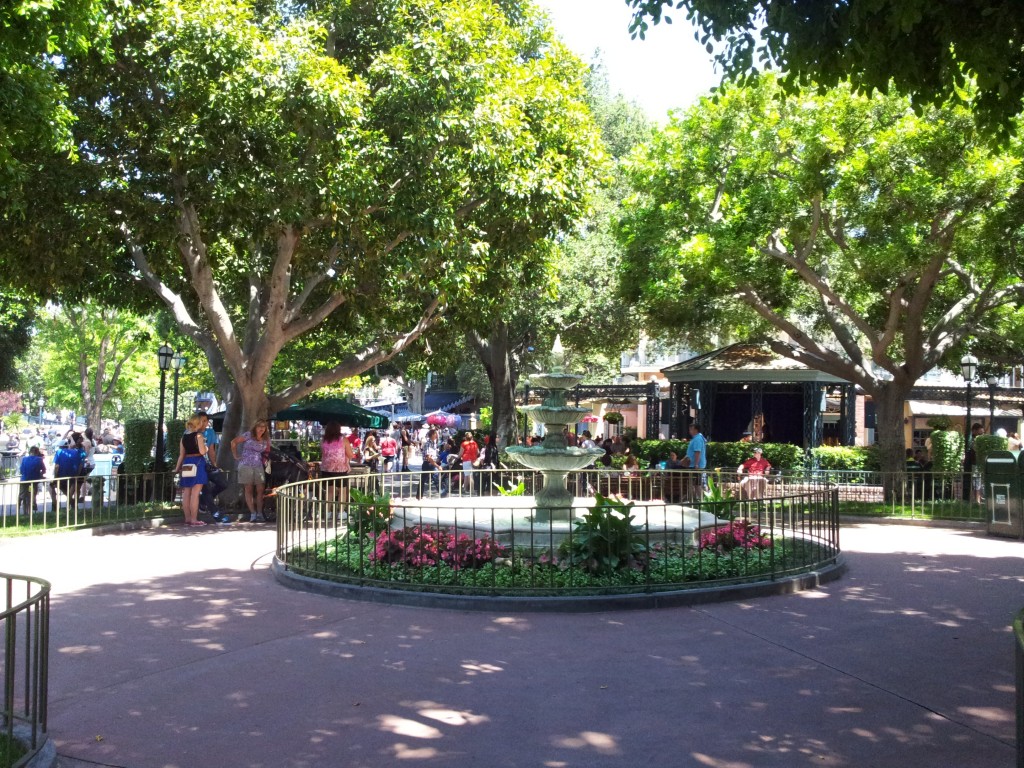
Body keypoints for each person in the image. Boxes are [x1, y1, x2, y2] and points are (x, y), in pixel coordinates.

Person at [231, 419, 272, 523]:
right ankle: (252, 513)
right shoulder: (248, 435)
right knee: (248, 489)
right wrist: (235, 456)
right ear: (255, 427)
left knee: (260, 490)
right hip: (245, 465)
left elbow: (267, 452)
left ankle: (259, 513)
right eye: (259, 426)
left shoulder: (266, 439)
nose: (261, 429)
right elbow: (233, 442)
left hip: (258, 465)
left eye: (263, 426)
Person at [174, 414, 208, 527]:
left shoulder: (183, 437)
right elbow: (203, 452)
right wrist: (206, 447)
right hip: (198, 462)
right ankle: (194, 519)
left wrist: (177, 468)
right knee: (195, 493)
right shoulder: (198, 436)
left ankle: (187, 518)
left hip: (187, 463)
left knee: (186, 492)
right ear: (197, 423)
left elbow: (181, 455)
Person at [195, 412, 228, 520]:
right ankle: (215, 514)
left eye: (205, 420)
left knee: (223, 483)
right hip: (197, 465)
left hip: (207, 464)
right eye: (201, 420)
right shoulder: (191, 433)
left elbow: (212, 450)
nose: (204, 423)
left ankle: (202, 501)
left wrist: (215, 465)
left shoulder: (210, 432)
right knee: (206, 488)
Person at [50, 436, 84, 511]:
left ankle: (55, 505)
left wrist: (55, 477)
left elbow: (56, 466)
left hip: (62, 475)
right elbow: (81, 464)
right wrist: (77, 474)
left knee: (52, 486)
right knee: (71, 487)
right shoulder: (76, 452)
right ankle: (71, 504)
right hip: (73, 475)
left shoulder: (59, 452)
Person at [18, 446, 46, 515]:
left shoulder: (24, 459)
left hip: (25, 479)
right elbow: (44, 470)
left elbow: (21, 471)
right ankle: (33, 501)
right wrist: (41, 475)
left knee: (22, 494)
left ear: (30, 452)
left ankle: (19, 504)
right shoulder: (39, 459)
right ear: (37, 452)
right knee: (33, 491)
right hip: (34, 479)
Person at [418, 427, 443, 498]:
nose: (437, 435)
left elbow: (434, 455)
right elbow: (428, 457)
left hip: (432, 463)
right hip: (427, 464)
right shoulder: (428, 444)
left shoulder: (434, 443)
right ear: (432, 435)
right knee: (423, 480)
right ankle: (419, 496)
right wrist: (437, 466)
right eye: (436, 434)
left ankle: (442, 493)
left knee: (436, 478)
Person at [685, 422, 707, 498]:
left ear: (696, 430)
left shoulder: (697, 439)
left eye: (691, 429)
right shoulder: (697, 438)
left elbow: (697, 452)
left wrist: (696, 464)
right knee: (695, 483)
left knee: (697, 484)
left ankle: (700, 501)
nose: (690, 431)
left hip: (695, 466)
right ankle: (696, 500)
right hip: (694, 465)